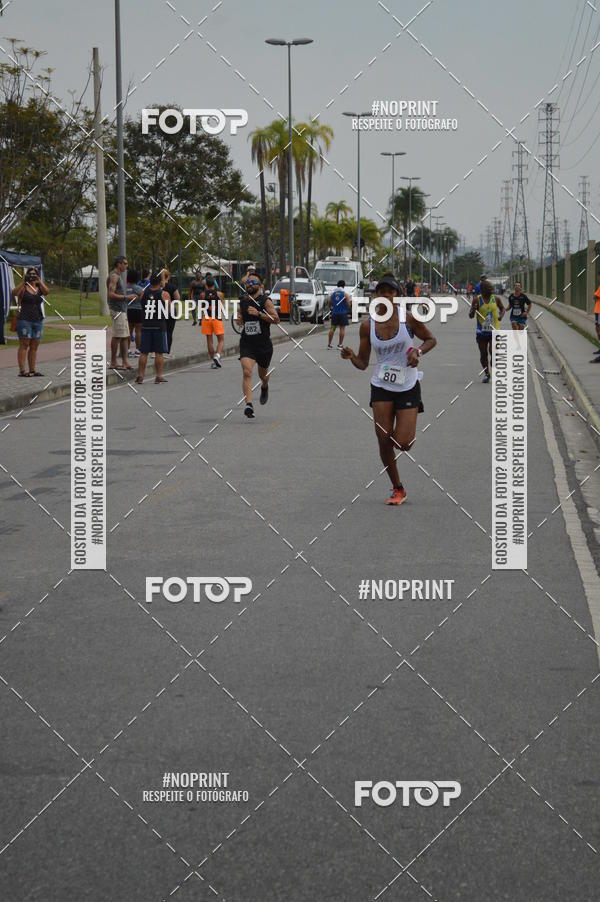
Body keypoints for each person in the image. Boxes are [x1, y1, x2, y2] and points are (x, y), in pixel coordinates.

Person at [341, 274, 436, 505]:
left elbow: (431, 339)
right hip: (381, 385)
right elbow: (363, 363)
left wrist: (418, 352)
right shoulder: (367, 325)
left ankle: (397, 444)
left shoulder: (409, 319)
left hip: (407, 384)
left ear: (397, 296)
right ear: (376, 296)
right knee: (383, 438)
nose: (385, 295)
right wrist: (352, 356)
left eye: (390, 291)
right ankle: (398, 488)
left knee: (404, 443)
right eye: (381, 291)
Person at [237, 274, 279, 418]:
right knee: (247, 372)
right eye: (248, 283)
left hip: (263, 345)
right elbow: (240, 318)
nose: (250, 284)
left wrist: (259, 314)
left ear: (260, 286)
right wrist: (239, 319)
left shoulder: (265, 301)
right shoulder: (242, 302)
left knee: (263, 375)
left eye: (253, 282)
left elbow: (276, 319)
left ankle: (264, 386)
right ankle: (249, 405)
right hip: (247, 343)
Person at [12, 266, 49, 377]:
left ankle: (32, 370)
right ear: (27, 275)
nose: (32, 276)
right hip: (24, 320)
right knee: (24, 345)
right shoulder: (23, 287)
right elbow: (14, 293)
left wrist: (39, 282)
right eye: (30, 274)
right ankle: (22, 371)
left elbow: (47, 292)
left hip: (38, 320)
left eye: (34, 274)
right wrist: (24, 281)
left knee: (34, 346)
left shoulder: (39, 287)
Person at [136, 271, 169, 384]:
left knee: (144, 352)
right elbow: (169, 309)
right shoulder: (164, 294)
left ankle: (140, 375)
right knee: (159, 352)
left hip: (146, 325)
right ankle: (159, 375)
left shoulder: (143, 293)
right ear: (160, 282)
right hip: (159, 326)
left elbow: (142, 305)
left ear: (150, 282)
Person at [469, 278, 505, 383]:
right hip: (481, 331)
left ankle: (494, 360)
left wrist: (501, 316)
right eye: (489, 288)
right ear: (483, 290)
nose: (491, 290)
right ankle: (487, 374)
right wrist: (474, 309)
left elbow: (502, 308)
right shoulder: (477, 300)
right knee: (483, 354)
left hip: (495, 330)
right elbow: (471, 316)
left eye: (491, 288)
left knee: (492, 351)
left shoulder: (496, 299)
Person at [108, 256, 138, 370]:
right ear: (118, 264)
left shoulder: (118, 276)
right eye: (125, 263)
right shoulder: (114, 276)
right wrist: (127, 297)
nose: (126, 266)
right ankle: (114, 362)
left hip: (122, 309)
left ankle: (124, 361)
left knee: (125, 336)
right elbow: (111, 294)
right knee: (117, 336)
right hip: (117, 309)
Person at [200, 275, 225, 368]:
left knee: (209, 341)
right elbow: (222, 306)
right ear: (214, 284)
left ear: (206, 285)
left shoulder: (203, 294)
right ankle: (217, 356)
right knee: (221, 340)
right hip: (216, 318)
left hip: (206, 318)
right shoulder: (220, 294)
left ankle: (214, 362)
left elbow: (202, 307)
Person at [327, 280, 351, 349]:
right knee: (342, 329)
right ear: (344, 286)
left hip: (335, 313)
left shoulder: (333, 294)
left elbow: (331, 303)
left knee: (332, 328)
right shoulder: (345, 294)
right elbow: (348, 305)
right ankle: (340, 345)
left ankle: (329, 344)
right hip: (343, 314)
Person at [161, 269, 180, 355]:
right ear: (168, 276)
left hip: (159, 310)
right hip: (171, 310)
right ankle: (167, 351)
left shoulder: (157, 286)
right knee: (169, 331)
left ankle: (158, 350)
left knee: (160, 331)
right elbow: (177, 298)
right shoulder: (172, 287)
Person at [126, 269, 144, 355]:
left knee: (128, 331)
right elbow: (143, 300)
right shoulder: (140, 289)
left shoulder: (124, 288)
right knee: (138, 331)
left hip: (128, 311)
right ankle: (138, 349)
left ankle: (127, 350)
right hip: (138, 310)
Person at [590, 272, 600, 363]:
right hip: (597, 310)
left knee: (599, 330)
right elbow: (595, 297)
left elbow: (595, 296)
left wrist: (596, 297)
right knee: (597, 329)